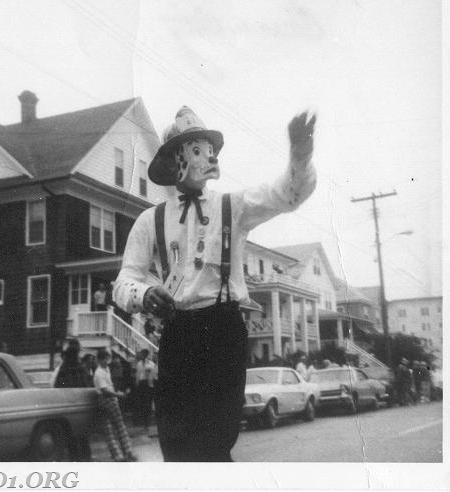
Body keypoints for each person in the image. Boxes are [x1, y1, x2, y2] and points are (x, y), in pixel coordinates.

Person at [113, 106, 316, 461]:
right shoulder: (151, 219)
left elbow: (286, 195)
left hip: (223, 330)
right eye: (195, 149)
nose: (207, 157)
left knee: (214, 439)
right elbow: (124, 280)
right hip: (178, 333)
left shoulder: (232, 206)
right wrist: (144, 293)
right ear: (176, 159)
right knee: (176, 441)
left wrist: (300, 153)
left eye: (208, 149)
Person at [93, 348, 137, 462]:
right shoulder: (99, 373)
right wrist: (118, 395)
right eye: (103, 359)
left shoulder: (106, 369)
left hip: (109, 399)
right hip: (107, 399)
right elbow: (104, 390)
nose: (105, 361)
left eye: (106, 359)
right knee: (116, 427)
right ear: (99, 360)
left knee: (115, 427)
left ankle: (125, 453)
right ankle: (121, 454)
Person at [135, 349, 157, 434]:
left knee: (148, 403)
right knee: (142, 403)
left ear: (146, 355)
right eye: (141, 354)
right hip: (141, 384)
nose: (142, 356)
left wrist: (150, 384)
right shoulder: (139, 363)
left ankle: (147, 423)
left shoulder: (151, 364)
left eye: (143, 354)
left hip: (148, 384)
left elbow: (152, 375)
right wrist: (137, 383)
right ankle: (144, 423)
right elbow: (137, 374)